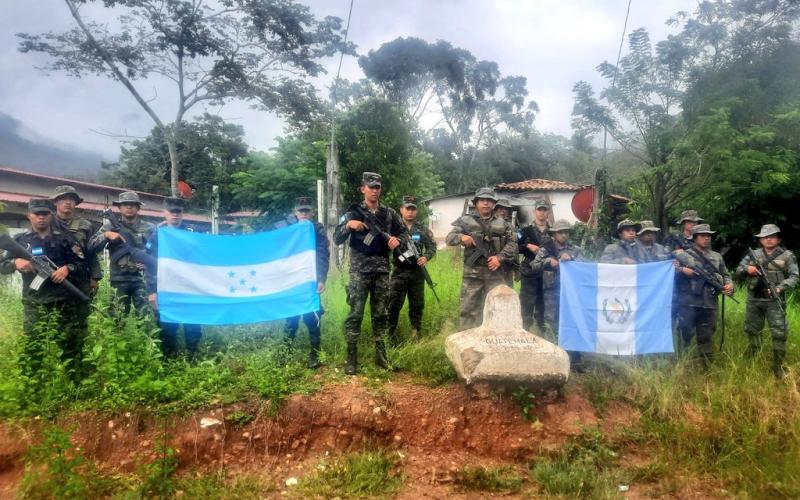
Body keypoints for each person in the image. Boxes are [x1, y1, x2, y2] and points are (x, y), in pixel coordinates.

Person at [0, 199, 90, 382]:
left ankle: (76, 383)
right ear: (29, 216)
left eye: (45, 214)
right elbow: (2, 266)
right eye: (37, 214)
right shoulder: (20, 241)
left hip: (64, 300)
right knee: (33, 343)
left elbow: (82, 264)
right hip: (34, 300)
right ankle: (32, 384)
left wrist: (67, 269)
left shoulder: (66, 239)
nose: (41, 218)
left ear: (51, 216)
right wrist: (15, 263)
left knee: (70, 342)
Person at [335, 172, 406, 375]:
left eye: (377, 187)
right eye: (370, 186)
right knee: (355, 314)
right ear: (363, 189)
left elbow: (402, 233)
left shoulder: (390, 213)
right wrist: (349, 225)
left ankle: (381, 355)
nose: (374, 190)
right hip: (359, 272)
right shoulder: (352, 212)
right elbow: (337, 238)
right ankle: (352, 356)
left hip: (382, 271)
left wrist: (396, 240)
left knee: (380, 314)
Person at [446, 187, 517, 329]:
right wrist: (462, 236)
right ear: (476, 203)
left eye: (489, 200)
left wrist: (500, 258)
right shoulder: (465, 221)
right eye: (482, 200)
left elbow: (513, 243)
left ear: (493, 204)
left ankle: (496, 341)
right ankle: (467, 344)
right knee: (469, 310)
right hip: (472, 273)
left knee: (498, 309)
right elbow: (449, 238)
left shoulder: (503, 223)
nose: (486, 203)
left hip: (495, 272)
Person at [736, 224, 798, 377]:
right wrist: (747, 269)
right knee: (752, 330)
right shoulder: (753, 255)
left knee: (779, 332)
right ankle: (751, 363)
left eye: (772, 236)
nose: (768, 239)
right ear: (761, 240)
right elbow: (738, 271)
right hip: (754, 299)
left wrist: (779, 288)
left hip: (774, 300)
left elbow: (795, 276)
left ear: (778, 239)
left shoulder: (787, 255)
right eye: (765, 237)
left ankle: (778, 367)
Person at [145, 197, 204, 360]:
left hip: (190, 288)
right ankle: (170, 361)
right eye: (172, 212)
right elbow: (151, 266)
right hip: (166, 288)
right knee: (167, 326)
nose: (175, 216)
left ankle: (192, 359)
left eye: (178, 212)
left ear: (182, 214)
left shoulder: (193, 233)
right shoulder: (156, 236)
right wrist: (151, 291)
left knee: (192, 325)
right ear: (164, 213)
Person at [673, 224, 734, 366]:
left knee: (706, 335)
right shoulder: (683, 254)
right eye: (702, 235)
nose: (707, 238)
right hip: (687, 302)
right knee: (685, 334)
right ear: (694, 238)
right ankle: (683, 364)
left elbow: (726, 275)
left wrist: (729, 285)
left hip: (709, 302)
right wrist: (682, 270)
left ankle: (707, 366)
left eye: (708, 235)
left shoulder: (717, 256)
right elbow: (669, 272)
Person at [531, 219, 585, 370]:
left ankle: (575, 360)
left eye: (566, 232)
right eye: (560, 232)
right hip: (551, 291)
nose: (564, 235)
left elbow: (585, 266)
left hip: (571, 293)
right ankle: (551, 357)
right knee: (551, 322)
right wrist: (549, 261)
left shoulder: (576, 249)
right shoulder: (546, 249)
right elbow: (533, 266)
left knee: (573, 322)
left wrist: (572, 259)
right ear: (554, 234)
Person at [89, 191, 155, 315]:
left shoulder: (149, 228)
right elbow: (91, 246)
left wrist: (148, 263)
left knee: (147, 319)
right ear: (119, 207)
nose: (129, 207)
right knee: (117, 318)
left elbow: (157, 251)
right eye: (125, 205)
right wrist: (106, 235)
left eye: (132, 204)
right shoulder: (109, 227)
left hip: (142, 279)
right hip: (118, 279)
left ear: (138, 208)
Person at [283, 196, 330, 369]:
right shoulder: (288, 230)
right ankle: (286, 353)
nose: (304, 213)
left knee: (312, 318)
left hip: (311, 281)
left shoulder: (317, 229)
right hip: (292, 282)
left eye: (307, 211)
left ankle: (315, 354)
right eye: (300, 211)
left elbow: (323, 254)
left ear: (313, 212)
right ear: (295, 213)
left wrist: (321, 279)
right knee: (291, 319)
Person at [387, 195, 436, 345]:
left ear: (416, 211)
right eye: (407, 209)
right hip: (399, 272)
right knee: (394, 305)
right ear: (401, 210)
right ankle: (391, 336)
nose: (410, 212)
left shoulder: (422, 229)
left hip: (417, 273)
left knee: (416, 305)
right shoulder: (393, 229)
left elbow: (432, 247)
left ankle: (416, 334)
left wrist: (426, 257)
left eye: (413, 209)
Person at [50, 185, 102, 297]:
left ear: (76, 203)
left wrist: (95, 277)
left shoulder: (86, 225)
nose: (68, 202)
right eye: (63, 199)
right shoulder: (47, 223)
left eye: (71, 199)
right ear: (55, 202)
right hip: (53, 275)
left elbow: (91, 253)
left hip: (80, 275)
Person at [518, 199, 552, 331]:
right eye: (539, 210)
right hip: (529, 272)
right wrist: (527, 245)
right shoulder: (525, 230)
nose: (542, 213)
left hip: (547, 273)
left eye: (544, 210)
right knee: (526, 303)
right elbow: (514, 246)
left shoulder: (554, 231)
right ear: (534, 212)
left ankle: (543, 331)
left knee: (544, 304)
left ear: (548, 212)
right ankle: (524, 331)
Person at [494, 198, 517, 286]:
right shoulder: (489, 224)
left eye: (506, 209)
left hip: (507, 266)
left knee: (507, 294)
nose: (503, 211)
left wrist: (517, 267)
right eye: (501, 209)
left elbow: (515, 248)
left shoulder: (511, 227)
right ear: (495, 210)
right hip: (492, 265)